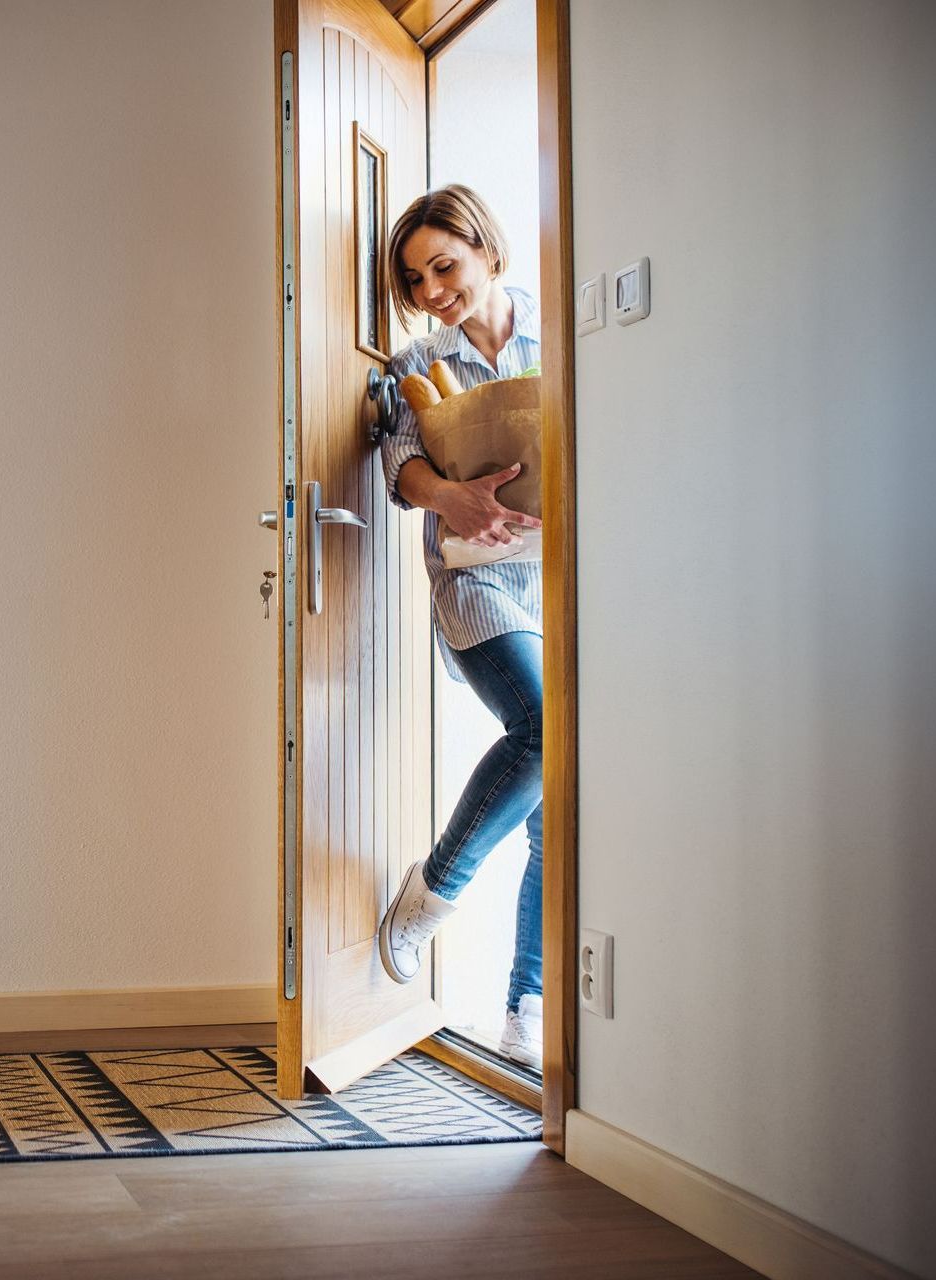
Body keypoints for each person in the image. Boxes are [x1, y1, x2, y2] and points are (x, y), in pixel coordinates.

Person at [375, 184, 544, 1070]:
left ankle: (528, 1008)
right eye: (416, 277)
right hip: (475, 584)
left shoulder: (556, 347)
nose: (434, 288)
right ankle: (434, 891)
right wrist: (451, 497)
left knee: (566, 796)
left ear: (487, 249)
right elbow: (401, 457)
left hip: (560, 578)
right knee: (546, 729)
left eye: (446, 265)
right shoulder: (419, 361)